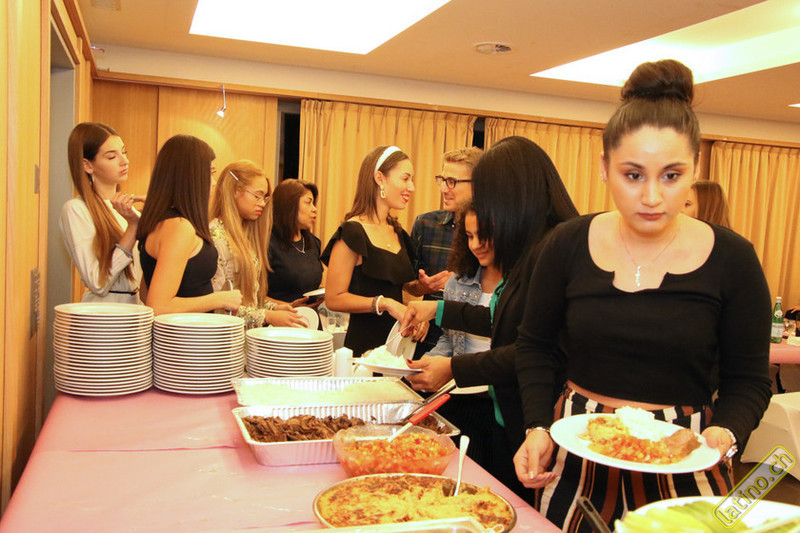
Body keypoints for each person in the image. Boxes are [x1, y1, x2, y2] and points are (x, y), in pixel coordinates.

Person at [512, 60, 772, 531]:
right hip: (580, 444)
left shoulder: (733, 258)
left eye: (671, 176)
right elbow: (534, 346)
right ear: (604, 168)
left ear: (695, 170)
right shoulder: (566, 244)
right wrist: (537, 426)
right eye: (633, 175)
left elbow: (749, 379)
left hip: (686, 451)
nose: (652, 196)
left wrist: (728, 430)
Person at [401, 135, 579, 499]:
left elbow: (532, 348)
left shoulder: (554, 251)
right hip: (511, 416)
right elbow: (505, 320)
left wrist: (454, 368)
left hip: (537, 421)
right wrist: (438, 308)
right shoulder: (529, 250)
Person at [321, 145, 438, 358]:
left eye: (412, 180)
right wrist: (383, 303)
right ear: (380, 178)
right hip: (364, 349)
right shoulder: (353, 232)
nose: (411, 187)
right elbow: (334, 298)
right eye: (405, 178)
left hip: (398, 348)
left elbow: (398, 287)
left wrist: (420, 292)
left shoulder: (398, 233)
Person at [425, 201, 502, 469]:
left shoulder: (520, 286)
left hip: (498, 404)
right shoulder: (459, 281)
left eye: (483, 235)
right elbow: (449, 338)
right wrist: (429, 362)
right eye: (469, 236)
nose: (476, 245)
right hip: (458, 397)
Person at [136, 134, 241, 315]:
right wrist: (220, 299)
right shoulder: (179, 227)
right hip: (186, 331)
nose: (214, 182)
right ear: (190, 177)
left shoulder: (160, 222)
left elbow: (147, 294)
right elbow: (158, 306)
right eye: (210, 173)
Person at [209, 160, 305, 327]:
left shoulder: (245, 237)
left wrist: (273, 307)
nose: (262, 203)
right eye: (257, 196)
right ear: (235, 191)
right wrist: (267, 316)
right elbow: (217, 307)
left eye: (265, 197)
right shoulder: (215, 236)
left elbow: (249, 301)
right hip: (224, 337)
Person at [410, 147, 483, 357]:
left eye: (452, 181)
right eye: (442, 180)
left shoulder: (492, 234)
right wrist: (422, 287)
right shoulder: (425, 224)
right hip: (428, 339)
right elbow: (408, 287)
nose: (443, 188)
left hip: (475, 343)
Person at [59, 122, 143, 303]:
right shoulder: (76, 210)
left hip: (137, 310)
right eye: (112, 156)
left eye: (124, 152)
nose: (124, 161)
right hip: (103, 313)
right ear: (87, 165)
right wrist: (133, 228)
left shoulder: (128, 211)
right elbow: (98, 282)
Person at [268, 179, 324, 305]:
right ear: (289, 205)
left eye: (313, 203)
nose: (314, 209)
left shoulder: (313, 242)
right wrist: (289, 306)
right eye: (308, 202)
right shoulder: (268, 244)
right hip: (280, 316)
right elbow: (255, 295)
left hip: (310, 315)